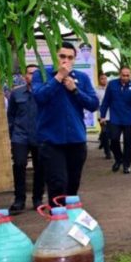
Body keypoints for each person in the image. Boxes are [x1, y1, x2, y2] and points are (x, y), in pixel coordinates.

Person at [31, 43, 100, 201]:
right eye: (62, 56)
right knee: (57, 184)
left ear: (74, 59)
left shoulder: (81, 78)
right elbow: (39, 97)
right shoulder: (41, 75)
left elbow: (93, 104)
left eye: (70, 57)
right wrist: (58, 78)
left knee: (72, 186)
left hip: (76, 139)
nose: (66, 60)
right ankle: (58, 221)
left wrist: (75, 90)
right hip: (51, 140)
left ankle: (69, 220)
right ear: (55, 57)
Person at [6, 64, 44, 213]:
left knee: (40, 168)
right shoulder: (16, 94)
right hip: (20, 136)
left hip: (40, 136)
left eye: (35, 73)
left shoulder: (44, 92)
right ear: (24, 76)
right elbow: (11, 115)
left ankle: (37, 199)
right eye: (29, 73)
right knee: (19, 164)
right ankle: (19, 200)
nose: (32, 76)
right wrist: (12, 134)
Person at [99, 66, 131, 174]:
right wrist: (102, 116)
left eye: (127, 75)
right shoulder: (112, 84)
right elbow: (106, 101)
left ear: (130, 75)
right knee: (113, 140)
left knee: (128, 143)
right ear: (119, 74)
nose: (125, 77)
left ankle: (126, 165)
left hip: (130, 119)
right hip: (115, 119)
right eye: (123, 75)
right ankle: (119, 159)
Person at [96, 73, 112, 159]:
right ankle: (107, 152)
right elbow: (95, 102)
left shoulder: (110, 89)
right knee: (105, 132)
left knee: (110, 133)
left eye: (105, 78)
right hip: (102, 115)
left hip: (111, 114)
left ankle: (102, 142)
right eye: (102, 78)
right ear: (99, 80)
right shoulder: (96, 90)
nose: (104, 80)